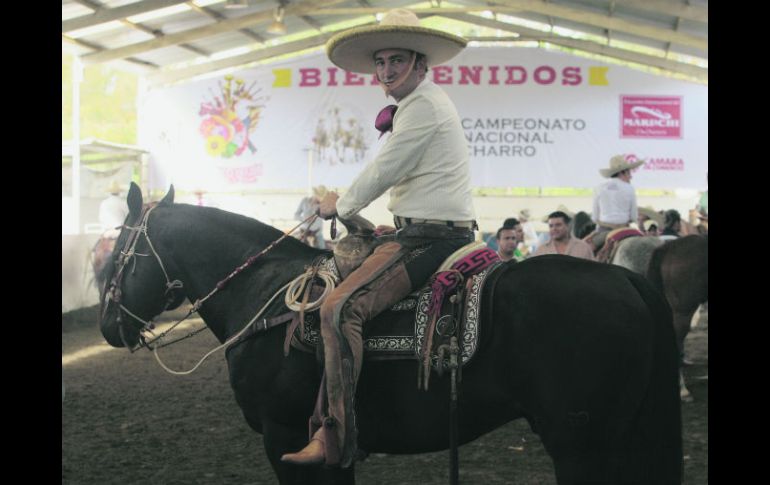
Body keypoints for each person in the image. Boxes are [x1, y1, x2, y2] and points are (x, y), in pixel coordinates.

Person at [281, 9, 475, 468]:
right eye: (381, 62)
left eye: (397, 60)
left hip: (432, 238)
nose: (386, 70)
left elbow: (385, 170)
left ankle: (338, 439)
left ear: (420, 63)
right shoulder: (416, 106)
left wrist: (340, 205)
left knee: (338, 307)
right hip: (418, 228)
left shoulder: (424, 105)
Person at [591, 154, 644, 251]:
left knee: (588, 250)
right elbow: (633, 217)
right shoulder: (630, 188)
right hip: (625, 230)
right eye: (629, 173)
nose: (630, 177)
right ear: (622, 173)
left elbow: (595, 217)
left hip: (603, 231)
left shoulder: (599, 188)